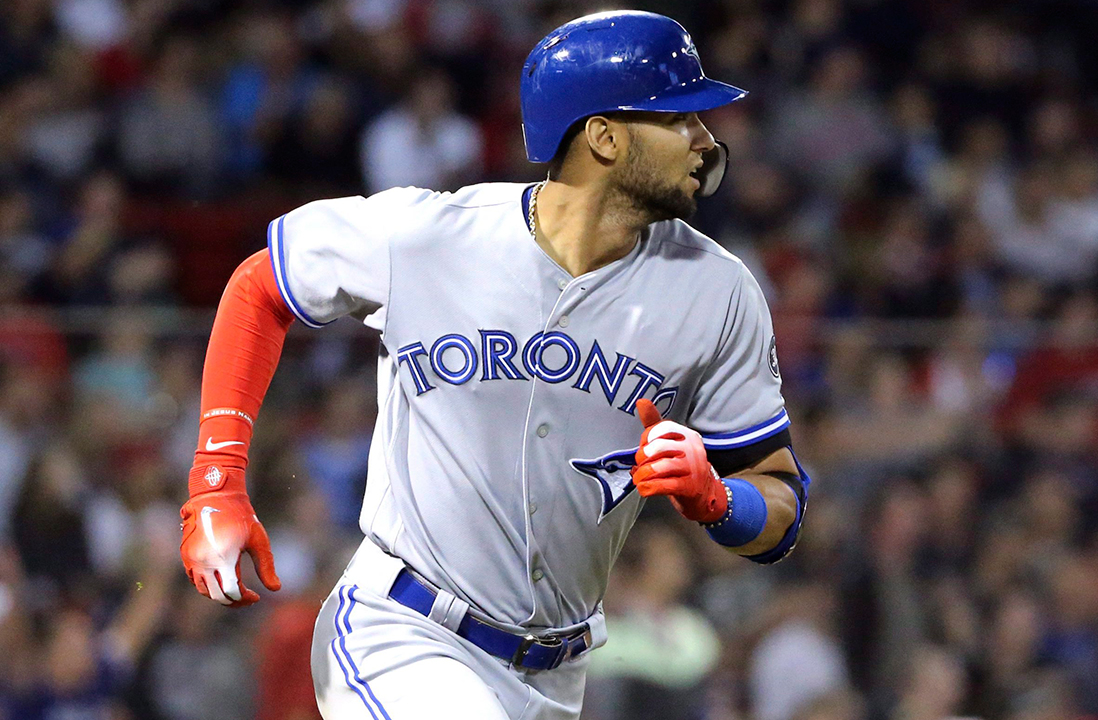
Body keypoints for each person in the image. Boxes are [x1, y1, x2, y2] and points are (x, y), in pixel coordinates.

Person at [176, 11, 810, 720]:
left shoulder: (717, 290)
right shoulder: (434, 235)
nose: (705, 139)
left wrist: (718, 502)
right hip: (404, 633)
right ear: (603, 137)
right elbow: (261, 286)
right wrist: (216, 479)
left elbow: (781, 511)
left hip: (559, 674)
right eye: (679, 117)